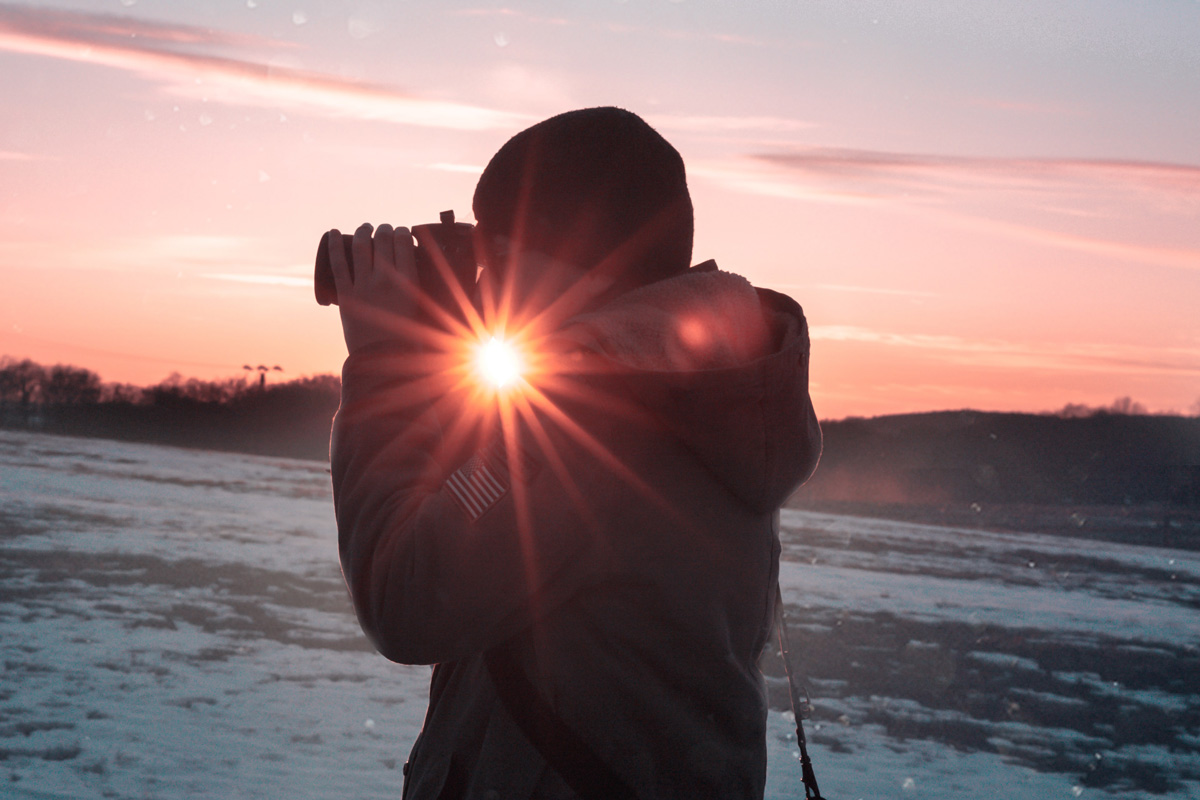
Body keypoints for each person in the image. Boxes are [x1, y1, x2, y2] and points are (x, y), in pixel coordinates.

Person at [327, 107, 822, 799]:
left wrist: (386, 362)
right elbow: (476, 505)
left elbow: (407, 597)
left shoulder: (595, 426)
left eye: (497, 258)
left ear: (582, 262)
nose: (482, 287)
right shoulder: (680, 395)